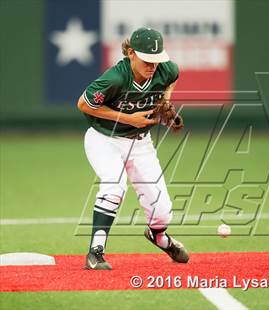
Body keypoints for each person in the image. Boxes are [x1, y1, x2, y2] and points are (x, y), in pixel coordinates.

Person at [77, 27, 189, 270]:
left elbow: (173, 77)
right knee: (114, 185)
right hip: (103, 139)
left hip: (140, 144)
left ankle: (159, 237)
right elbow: (83, 104)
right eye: (147, 59)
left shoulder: (166, 68)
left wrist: (165, 103)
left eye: (156, 59)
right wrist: (130, 119)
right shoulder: (115, 78)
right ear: (130, 53)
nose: (152, 65)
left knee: (162, 212)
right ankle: (95, 252)